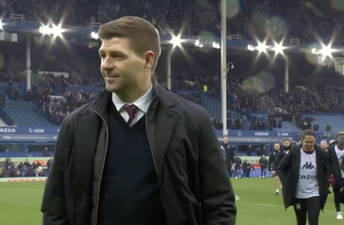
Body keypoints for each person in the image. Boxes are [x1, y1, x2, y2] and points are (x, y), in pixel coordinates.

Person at [40, 16, 237, 225]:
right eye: (102, 55)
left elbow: (220, 205)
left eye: (117, 56)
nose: (105, 65)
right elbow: (55, 208)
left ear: (148, 60)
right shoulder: (77, 125)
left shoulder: (193, 121)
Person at [277, 129, 329, 225]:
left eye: (312, 142)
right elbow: (280, 168)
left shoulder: (321, 154)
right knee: (301, 222)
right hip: (298, 194)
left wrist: (325, 183)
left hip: (314, 193)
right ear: (302, 140)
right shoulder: (294, 152)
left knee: (313, 221)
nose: (309, 144)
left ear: (315, 140)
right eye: (307, 142)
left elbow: (328, 169)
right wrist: (286, 183)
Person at [327, 132, 344, 220]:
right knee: (337, 194)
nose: (342, 139)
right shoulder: (331, 149)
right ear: (337, 138)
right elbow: (327, 162)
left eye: (343, 138)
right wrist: (331, 172)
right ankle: (338, 212)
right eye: (340, 137)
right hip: (335, 175)